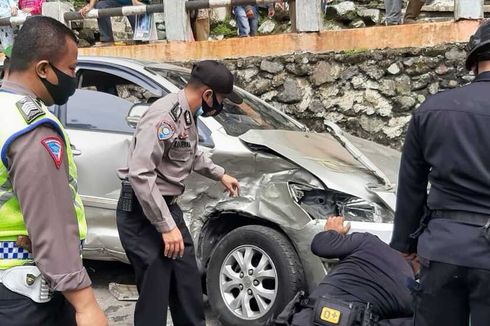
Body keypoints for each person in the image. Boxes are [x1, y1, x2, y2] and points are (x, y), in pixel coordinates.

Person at [117, 60, 242, 326]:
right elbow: (140, 173)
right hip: (142, 211)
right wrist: (165, 226)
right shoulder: (164, 115)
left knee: (186, 281)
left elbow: (189, 153)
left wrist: (220, 174)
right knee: (157, 286)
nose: (220, 106)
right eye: (220, 100)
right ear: (207, 95)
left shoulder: (187, 115)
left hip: (167, 207)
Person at [0, 16, 107, 326]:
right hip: (25, 291)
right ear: (43, 69)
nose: (74, 77)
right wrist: (86, 304)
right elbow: (52, 223)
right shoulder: (31, 129)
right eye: (71, 69)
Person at [390, 20, 490, 326]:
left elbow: (411, 185)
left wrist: (405, 245)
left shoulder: (432, 109)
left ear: (473, 63)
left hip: (443, 247)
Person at [280, 216, 414, 326]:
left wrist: (333, 231)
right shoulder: (410, 296)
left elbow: (320, 245)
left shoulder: (369, 242)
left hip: (309, 318)